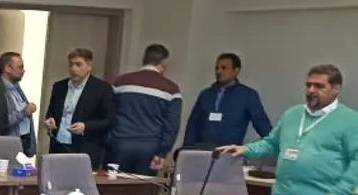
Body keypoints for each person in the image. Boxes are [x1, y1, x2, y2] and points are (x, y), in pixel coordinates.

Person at [222, 65, 358, 195]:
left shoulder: (350, 120)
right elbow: (271, 144)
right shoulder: (292, 114)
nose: (311, 90)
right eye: (308, 85)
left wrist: (340, 194)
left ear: (336, 89)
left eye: (319, 86)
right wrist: (245, 149)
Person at [110, 43, 182, 173]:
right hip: (150, 148)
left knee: (114, 184)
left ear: (144, 59)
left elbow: (109, 114)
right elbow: (172, 126)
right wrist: (162, 152)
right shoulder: (171, 89)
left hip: (119, 144)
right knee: (144, 185)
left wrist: (109, 140)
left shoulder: (121, 82)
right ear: (163, 62)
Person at [183, 52, 272, 149]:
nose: (219, 71)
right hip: (201, 150)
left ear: (236, 71)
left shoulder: (247, 95)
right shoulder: (205, 95)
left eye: (224, 68)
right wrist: (186, 149)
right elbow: (193, 125)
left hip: (229, 152)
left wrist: (274, 144)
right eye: (217, 68)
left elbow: (261, 123)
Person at [45, 47, 116, 169]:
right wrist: (49, 120)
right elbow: (51, 111)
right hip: (58, 145)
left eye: (78, 65)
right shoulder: (59, 86)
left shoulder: (102, 89)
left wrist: (85, 126)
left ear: (89, 66)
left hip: (85, 147)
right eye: (71, 64)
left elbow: (110, 120)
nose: (73, 69)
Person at [0, 51, 37, 155]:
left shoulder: (17, 87)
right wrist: (25, 112)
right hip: (8, 146)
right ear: (8, 68)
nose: (23, 71)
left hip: (24, 140)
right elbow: (1, 121)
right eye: (20, 67)